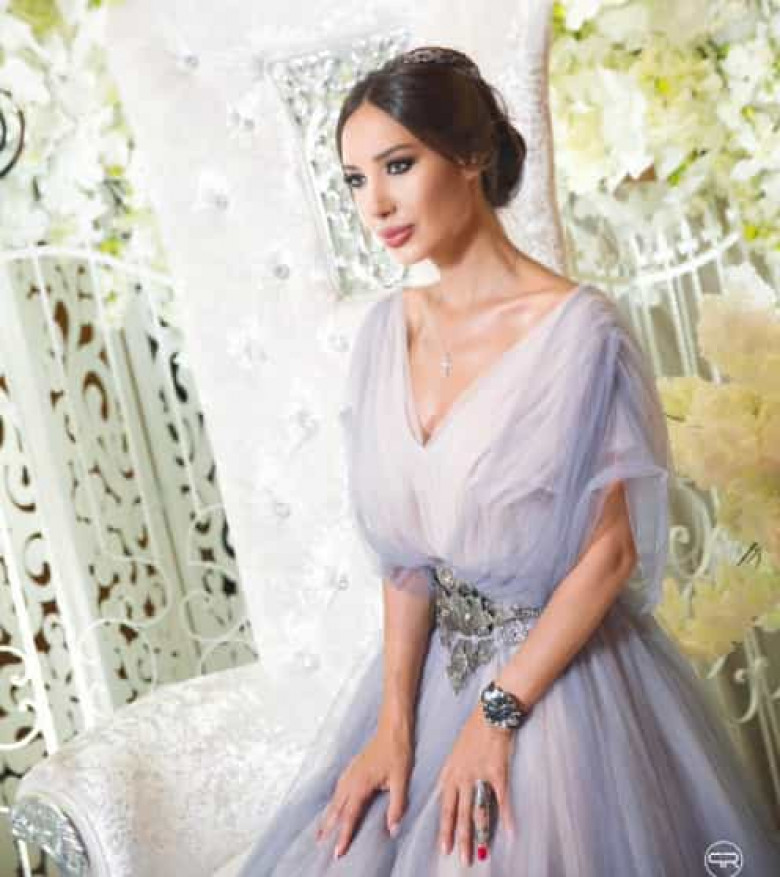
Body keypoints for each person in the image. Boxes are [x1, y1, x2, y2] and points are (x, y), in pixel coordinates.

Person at [237, 46, 780, 875]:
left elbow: (610, 553)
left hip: (560, 686)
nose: (375, 204)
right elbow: (407, 562)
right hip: (430, 681)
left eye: (397, 165)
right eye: (354, 179)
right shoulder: (385, 333)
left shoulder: (580, 331)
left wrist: (497, 715)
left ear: (471, 155)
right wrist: (393, 726)